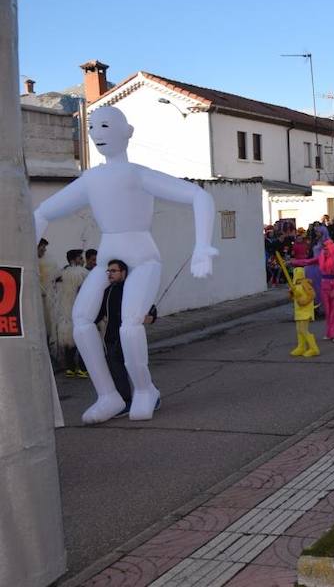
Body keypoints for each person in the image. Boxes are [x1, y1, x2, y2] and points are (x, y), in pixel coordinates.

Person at [33, 105, 217, 424]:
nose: (96, 133)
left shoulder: (137, 174)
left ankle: (146, 391)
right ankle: (109, 395)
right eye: (92, 126)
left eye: (105, 125)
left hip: (143, 256)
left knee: (130, 324)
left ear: (126, 132)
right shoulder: (92, 179)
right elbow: (43, 212)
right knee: (80, 319)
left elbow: (199, 196)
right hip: (108, 254)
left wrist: (203, 245)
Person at [95, 260, 158, 417]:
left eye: (114, 271)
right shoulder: (108, 291)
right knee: (117, 371)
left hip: (129, 337)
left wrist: (150, 317)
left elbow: (150, 309)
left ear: (123, 272)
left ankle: (151, 395)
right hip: (112, 337)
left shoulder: (133, 289)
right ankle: (126, 401)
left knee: (136, 368)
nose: (110, 274)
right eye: (108, 271)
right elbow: (100, 313)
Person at [295, 226, 334, 343]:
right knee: (327, 311)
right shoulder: (322, 257)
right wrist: (292, 262)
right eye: (324, 248)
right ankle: (329, 332)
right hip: (324, 285)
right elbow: (308, 261)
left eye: (326, 248)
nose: (324, 250)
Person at [56, 249, 90, 378]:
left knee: (69, 339)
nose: (82, 261)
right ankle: (82, 368)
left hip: (65, 311)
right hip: (80, 310)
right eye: (80, 258)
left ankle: (70, 368)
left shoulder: (62, 274)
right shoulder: (82, 274)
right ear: (73, 260)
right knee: (83, 339)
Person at [288, 267, 319, 357]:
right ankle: (301, 347)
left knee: (303, 329)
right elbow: (292, 298)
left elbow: (312, 294)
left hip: (305, 311)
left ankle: (314, 348)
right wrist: (291, 293)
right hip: (299, 311)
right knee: (299, 330)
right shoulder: (294, 286)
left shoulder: (305, 284)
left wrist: (304, 301)